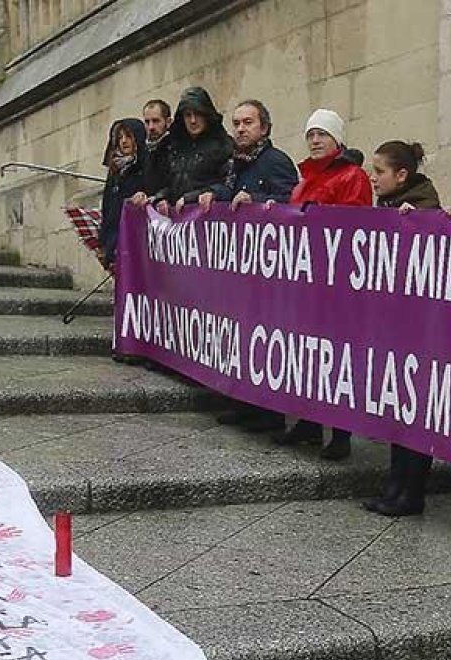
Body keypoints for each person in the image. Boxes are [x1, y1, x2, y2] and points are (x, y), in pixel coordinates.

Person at [271, 108, 372, 460]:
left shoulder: (352, 176)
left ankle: (341, 433)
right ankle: (310, 422)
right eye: (311, 134)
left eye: (322, 135)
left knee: (336, 355)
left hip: (336, 281)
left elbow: (353, 225)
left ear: (337, 140)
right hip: (307, 279)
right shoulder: (305, 179)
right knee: (309, 351)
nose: (315, 141)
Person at [202, 99, 299, 432]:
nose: (241, 129)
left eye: (248, 123)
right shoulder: (236, 162)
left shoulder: (277, 162)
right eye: (237, 123)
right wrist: (211, 194)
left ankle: (270, 414)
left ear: (265, 128)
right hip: (239, 268)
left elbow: (292, 206)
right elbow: (228, 189)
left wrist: (256, 202)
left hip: (269, 271)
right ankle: (243, 403)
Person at [360, 140, 441, 516]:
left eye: (379, 172)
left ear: (402, 175)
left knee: (415, 412)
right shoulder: (390, 209)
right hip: (396, 329)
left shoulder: (425, 212)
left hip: (421, 332)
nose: (373, 179)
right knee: (398, 411)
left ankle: (412, 491)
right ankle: (397, 486)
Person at [151, 87, 234, 215]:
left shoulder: (223, 144)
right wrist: (162, 198)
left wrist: (196, 197)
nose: (193, 120)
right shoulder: (173, 147)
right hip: (178, 225)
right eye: (188, 115)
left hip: (209, 220)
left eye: (198, 114)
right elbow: (167, 182)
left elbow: (229, 183)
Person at [96, 119, 148, 272]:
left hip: (135, 237)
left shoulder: (144, 166)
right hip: (114, 236)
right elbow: (107, 208)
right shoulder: (115, 170)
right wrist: (103, 243)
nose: (124, 141)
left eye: (128, 136)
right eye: (120, 137)